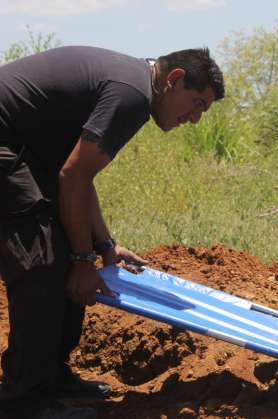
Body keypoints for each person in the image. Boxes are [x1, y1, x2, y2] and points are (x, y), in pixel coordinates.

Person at [0, 46, 224, 418]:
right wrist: (85, 260)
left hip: (19, 146)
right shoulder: (132, 95)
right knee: (44, 258)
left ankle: (51, 377)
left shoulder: (132, 86)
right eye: (198, 103)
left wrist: (104, 246)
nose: (196, 119)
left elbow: (76, 176)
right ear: (174, 80)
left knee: (69, 250)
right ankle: (24, 399)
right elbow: (74, 177)